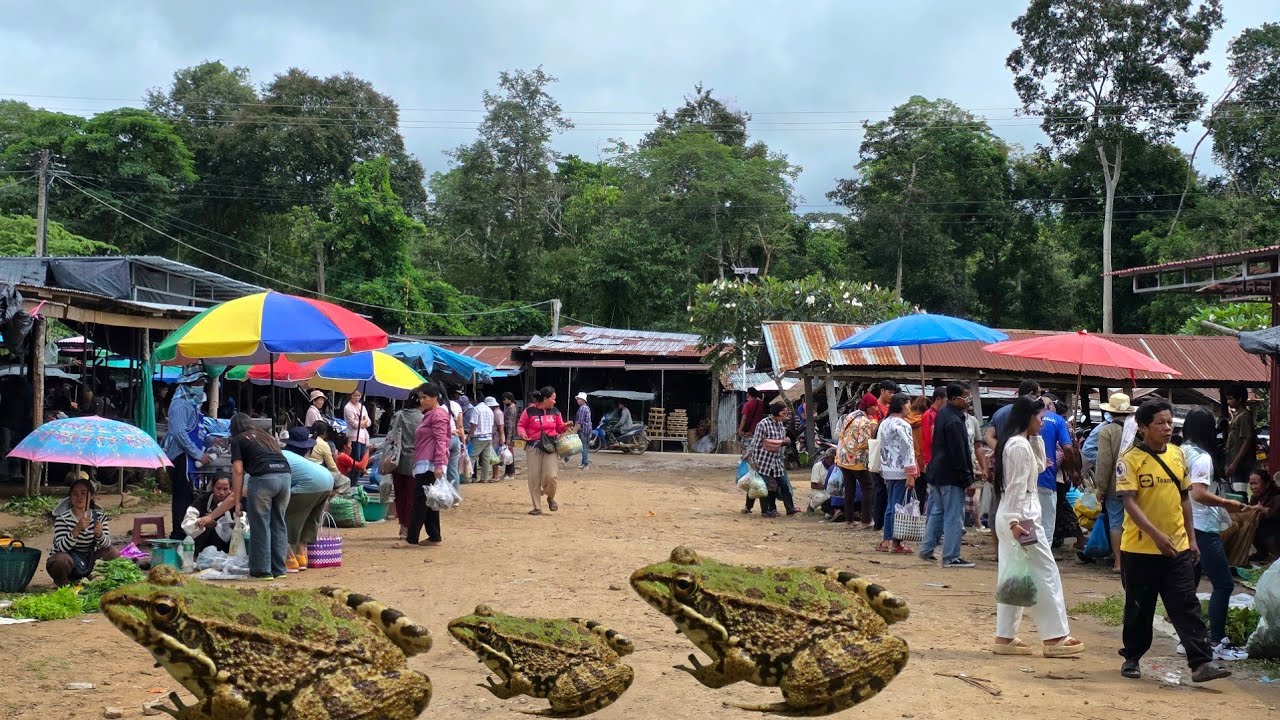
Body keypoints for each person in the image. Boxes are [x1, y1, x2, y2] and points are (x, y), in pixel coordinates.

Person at [1115, 399, 1230, 682]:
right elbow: (1129, 503)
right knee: (1139, 607)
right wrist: (1155, 534)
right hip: (1140, 548)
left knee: (1186, 605)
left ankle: (1201, 664)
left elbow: (1184, 499)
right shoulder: (1129, 460)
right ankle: (1132, 657)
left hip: (1176, 547)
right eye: (1160, 423)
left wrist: (1191, 539)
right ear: (1143, 428)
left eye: (1170, 422)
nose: (1167, 428)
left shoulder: (1178, 455)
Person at [990, 394, 1083, 658]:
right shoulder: (1018, 446)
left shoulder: (1018, 443)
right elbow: (1019, 486)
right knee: (1045, 573)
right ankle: (1055, 637)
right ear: (1028, 418)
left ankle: (1004, 636)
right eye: (1040, 418)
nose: (1043, 423)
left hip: (1014, 517)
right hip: (1022, 519)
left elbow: (1042, 465)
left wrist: (1037, 438)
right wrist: (1016, 523)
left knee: (1014, 576)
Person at [1182, 407, 1252, 661]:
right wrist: (1227, 504)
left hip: (1185, 523)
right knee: (1223, 584)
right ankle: (1216, 640)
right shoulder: (1202, 457)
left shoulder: (1180, 451)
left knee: (1189, 584)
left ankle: (1190, 639)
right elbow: (1198, 492)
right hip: (1203, 526)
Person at [202, 412, 291, 581]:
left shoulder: (238, 440)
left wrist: (237, 502)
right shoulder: (266, 437)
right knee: (279, 523)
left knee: (261, 524)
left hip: (264, 478)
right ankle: (279, 569)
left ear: (233, 428)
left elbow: (237, 471)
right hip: (285, 476)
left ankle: (262, 571)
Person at [918, 382, 976, 567]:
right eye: (965, 397)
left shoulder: (944, 414)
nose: (968, 401)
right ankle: (951, 556)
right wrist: (968, 479)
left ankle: (927, 549)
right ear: (953, 399)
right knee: (953, 515)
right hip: (951, 475)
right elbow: (959, 452)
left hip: (937, 472)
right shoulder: (954, 421)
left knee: (937, 512)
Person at [161, 367, 210, 540]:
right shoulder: (180, 404)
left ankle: (189, 532)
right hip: (181, 457)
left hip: (189, 457)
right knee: (182, 497)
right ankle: (179, 535)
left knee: (190, 495)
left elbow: (198, 429)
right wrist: (197, 454)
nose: (201, 386)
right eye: (198, 383)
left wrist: (211, 441)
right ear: (188, 384)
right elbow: (179, 433)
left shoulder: (192, 403)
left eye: (202, 382)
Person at [401, 383, 451, 547]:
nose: (421, 401)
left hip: (430, 464)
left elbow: (441, 441)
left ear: (434, 397)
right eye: (420, 397)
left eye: (425, 397)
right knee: (429, 501)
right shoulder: (431, 414)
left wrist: (438, 464)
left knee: (420, 501)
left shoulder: (438, 415)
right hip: (425, 462)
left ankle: (412, 539)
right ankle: (434, 536)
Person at [46, 474, 117, 586]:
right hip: (69, 561)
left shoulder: (99, 517)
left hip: (89, 560)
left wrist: (100, 534)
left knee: (113, 552)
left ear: (92, 496)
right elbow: (61, 547)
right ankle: (63, 584)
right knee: (60, 561)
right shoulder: (62, 518)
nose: (79, 497)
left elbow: (106, 544)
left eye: (83, 493)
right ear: (70, 497)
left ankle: (94, 580)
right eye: (75, 494)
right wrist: (76, 530)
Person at [1093, 393, 1136, 573]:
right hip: (1135, 484)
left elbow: (1104, 461)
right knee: (1134, 521)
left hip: (1114, 485)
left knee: (1116, 522)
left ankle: (1118, 562)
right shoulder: (1137, 429)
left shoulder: (1107, 431)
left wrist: (1100, 487)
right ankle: (1133, 560)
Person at [281, 428, 335, 573]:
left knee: (286, 518)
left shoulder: (283, 455)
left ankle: (289, 559)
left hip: (309, 485)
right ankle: (302, 557)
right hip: (327, 481)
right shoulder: (301, 460)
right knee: (307, 521)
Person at [875, 393, 917, 553]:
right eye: (908, 405)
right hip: (901, 470)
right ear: (901, 405)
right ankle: (896, 543)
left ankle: (886, 540)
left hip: (887, 469)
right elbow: (908, 450)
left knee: (890, 505)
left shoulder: (885, 423)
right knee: (898, 507)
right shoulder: (903, 424)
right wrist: (911, 473)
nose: (910, 409)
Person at [518, 387, 570, 515]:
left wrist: (565, 426)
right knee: (534, 477)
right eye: (553, 399)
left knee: (551, 476)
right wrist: (523, 434)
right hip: (533, 447)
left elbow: (559, 427)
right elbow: (521, 426)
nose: (555, 402)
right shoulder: (529, 411)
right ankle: (537, 507)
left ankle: (550, 496)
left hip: (551, 447)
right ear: (545, 399)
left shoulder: (555, 412)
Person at [386, 387, 426, 539]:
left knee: (400, 495)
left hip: (396, 460)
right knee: (411, 497)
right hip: (415, 461)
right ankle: (407, 528)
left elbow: (390, 436)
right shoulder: (422, 419)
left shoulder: (398, 415)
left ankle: (402, 526)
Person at [1035, 394, 1072, 545]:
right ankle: (1044, 558)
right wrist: (1071, 470)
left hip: (1024, 479)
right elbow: (1068, 447)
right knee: (1047, 522)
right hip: (1046, 477)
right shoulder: (1057, 420)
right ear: (1050, 406)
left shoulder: (1024, 419)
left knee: (1028, 520)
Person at [749, 400, 795, 519]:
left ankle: (790, 508)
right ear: (777, 412)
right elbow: (755, 443)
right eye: (784, 413)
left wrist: (784, 442)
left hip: (777, 460)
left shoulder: (780, 425)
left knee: (784, 484)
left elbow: (779, 442)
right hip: (763, 460)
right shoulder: (762, 424)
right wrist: (754, 460)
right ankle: (765, 511)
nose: (786, 416)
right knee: (763, 486)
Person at [835, 407, 878, 529]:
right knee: (868, 487)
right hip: (857, 459)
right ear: (869, 406)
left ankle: (849, 521)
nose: (875, 410)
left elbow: (842, 435)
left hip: (844, 458)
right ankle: (866, 520)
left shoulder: (849, 416)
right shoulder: (864, 421)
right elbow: (863, 442)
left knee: (849, 489)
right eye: (873, 406)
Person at [985, 379, 1042, 449]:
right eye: (1038, 396)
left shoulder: (1000, 412)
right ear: (1031, 394)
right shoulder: (1031, 414)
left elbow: (989, 436)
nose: (1040, 399)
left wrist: (1000, 452)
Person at [1223, 384, 1256, 489]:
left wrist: (1234, 463)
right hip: (1234, 462)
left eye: (1230, 399)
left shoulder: (1244, 416)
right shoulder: (1236, 415)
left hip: (1241, 464)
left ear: (1240, 399)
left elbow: (1247, 440)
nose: (1228, 402)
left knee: (1239, 494)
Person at [191, 475, 233, 556]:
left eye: (225, 489)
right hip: (204, 544)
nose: (221, 493)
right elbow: (188, 521)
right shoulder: (203, 499)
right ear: (212, 487)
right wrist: (201, 521)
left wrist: (234, 525)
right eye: (218, 488)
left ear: (230, 489)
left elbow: (245, 523)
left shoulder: (236, 502)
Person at [1250, 467, 1280, 562]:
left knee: (1266, 526)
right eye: (1251, 484)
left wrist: (1266, 511)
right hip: (1263, 530)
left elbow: (1276, 514)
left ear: (1266, 484)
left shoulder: (1277, 496)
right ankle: (1262, 553)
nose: (1253, 487)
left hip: (1275, 530)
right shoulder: (1255, 497)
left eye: (1256, 483)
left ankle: (1276, 554)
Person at [470, 393, 497, 482]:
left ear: (475, 400)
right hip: (488, 436)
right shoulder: (490, 410)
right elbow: (492, 425)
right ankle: (484, 478)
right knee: (486, 459)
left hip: (478, 437)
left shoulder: (476, 409)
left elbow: (474, 424)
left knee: (472, 457)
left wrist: (469, 435)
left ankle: (468, 477)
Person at [343, 390, 371, 462]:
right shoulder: (348, 407)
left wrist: (363, 423)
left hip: (363, 436)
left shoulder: (362, 407)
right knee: (355, 460)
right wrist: (363, 423)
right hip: (353, 436)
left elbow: (369, 421)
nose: (357, 397)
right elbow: (354, 424)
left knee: (362, 459)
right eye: (355, 395)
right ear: (350, 396)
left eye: (359, 395)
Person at [502, 392, 519, 479]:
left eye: (504, 399)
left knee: (509, 453)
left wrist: (508, 437)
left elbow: (509, 423)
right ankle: (508, 472)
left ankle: (510, 473)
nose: (503, 401)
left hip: (509, 433)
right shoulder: (511, 407)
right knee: (507, 452)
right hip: (509, 433)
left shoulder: (510, 409)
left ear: (509, 399)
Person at [573, 393, 591, 471]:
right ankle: (584, 462)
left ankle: (585, 464)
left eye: (579, 399)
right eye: (577, 399)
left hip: (583, 431)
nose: (578, 400)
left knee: (584, 447)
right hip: (587, 430)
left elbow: (579, 422)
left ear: (583, 400)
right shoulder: (586, 407)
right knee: (584, 447)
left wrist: (574, 432)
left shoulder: (582, 408)